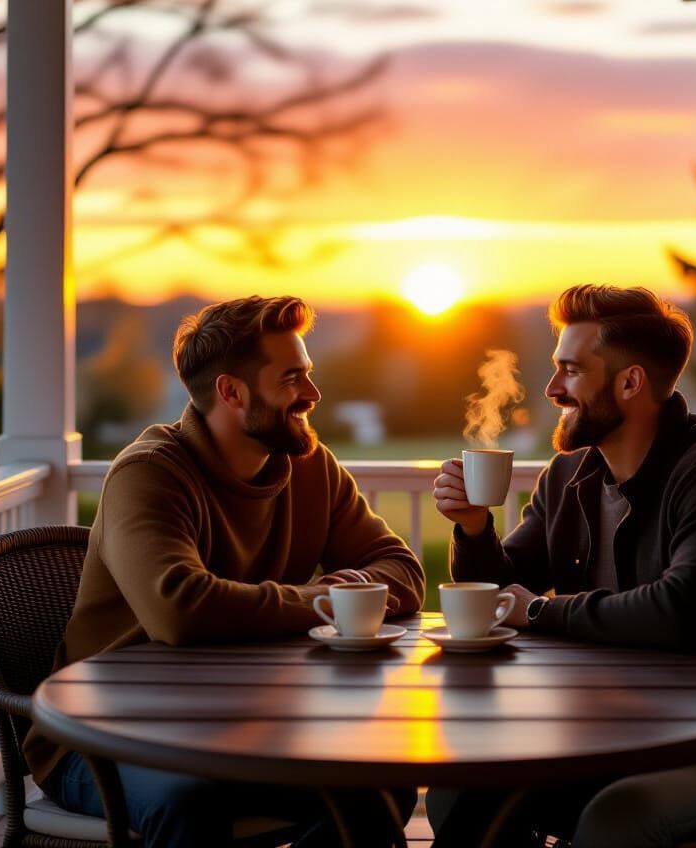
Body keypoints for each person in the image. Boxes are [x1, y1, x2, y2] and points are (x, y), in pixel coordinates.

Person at [428, 284, 696, 848]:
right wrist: (473, 526)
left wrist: (542, 610)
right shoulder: (570, 476)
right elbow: (497, 592)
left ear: (630, 382)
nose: (551, 389)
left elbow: (685, 614)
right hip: (618, 732)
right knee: (460, 792)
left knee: (617, 819)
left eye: (570, 370)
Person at [24, 295, 425, 848]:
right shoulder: (148, 475)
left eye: (307, 374)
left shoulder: (311, 468)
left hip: (246, 722)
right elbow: (180, 611)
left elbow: (401, 569)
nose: (312, 394)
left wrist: (351, 590)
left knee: (378, 790)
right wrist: (323, 600)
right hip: (110, 735)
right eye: (292, 379)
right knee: (191, 802)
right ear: (232, 392)